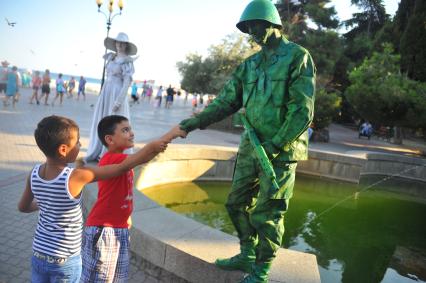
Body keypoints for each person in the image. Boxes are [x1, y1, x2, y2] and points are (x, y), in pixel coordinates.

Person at [176, 1, 316, 282]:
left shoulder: (298, 57)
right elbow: (227, 101)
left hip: (281, 152)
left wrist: (276, 145)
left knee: (269, 213)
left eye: (255, 26)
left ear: (272, 24)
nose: (251, 33)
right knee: (235, 204)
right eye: (247, 28)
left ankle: (262, 268)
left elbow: (302, 111)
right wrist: (193, 123)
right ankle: (247, 252)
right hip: (251, 146)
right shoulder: (249, 65)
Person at [17, 115, 180, 282]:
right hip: (64, 259)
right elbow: (123, 167)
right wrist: (160, 141)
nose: (80, 146)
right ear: (63, 150)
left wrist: (46, 203)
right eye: (78, 142)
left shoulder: (34, 173)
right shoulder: (75, 177)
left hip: (38, 254)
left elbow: (23, 206)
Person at [80, 115, 183, 281]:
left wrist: (126, 218)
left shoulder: (123, 159)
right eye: (125, 130)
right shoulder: (111, 159)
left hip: (119, 229)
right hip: (104, 230)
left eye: (130, 129)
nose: (132, 133)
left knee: (116, 278)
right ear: (110, 139)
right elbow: (144, 156)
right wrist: (171, 134)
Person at [85, 32, 138, 162]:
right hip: (106, 92)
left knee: (114, 123)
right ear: (115, 44)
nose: (119, 45)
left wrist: (119, 101)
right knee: (102, 120)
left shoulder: (127, 61)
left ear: (126, 45)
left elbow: (126, 83)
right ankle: (97, 149)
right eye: (117, 42)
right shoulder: (111, 58)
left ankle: (110, 153)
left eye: (122, 43)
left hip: (117, 93)